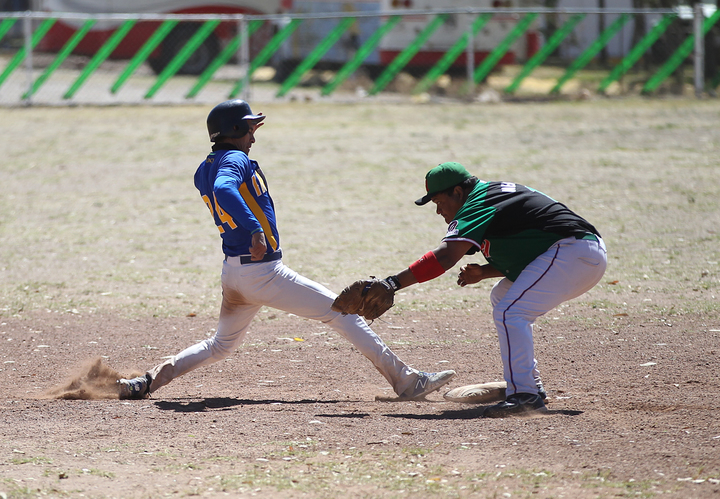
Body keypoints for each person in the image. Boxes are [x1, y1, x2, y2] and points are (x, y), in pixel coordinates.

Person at [116, 100, 455, 400]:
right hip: (263, 273)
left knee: (220, 345)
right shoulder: (234, 159)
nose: (253, 137)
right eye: (249, 129)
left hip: (235, 272)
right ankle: (408, 382)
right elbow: (225, 189)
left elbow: (220, 185)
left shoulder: (203, 167)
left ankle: (146, 381)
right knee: (343, 313)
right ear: (234, 130)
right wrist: (254, 229)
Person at [359, 161, 606, 418]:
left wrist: (392, 283)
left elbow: (445, 256)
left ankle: (525, 396)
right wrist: (485, 272)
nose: (438, 210)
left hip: (574, 253)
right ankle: (528, 386)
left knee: (511, 312)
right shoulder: (491, 196)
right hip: (577, 254)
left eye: (439, 202)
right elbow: (532, 249)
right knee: (502, 297)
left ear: (457, 192)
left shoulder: (479, 201)